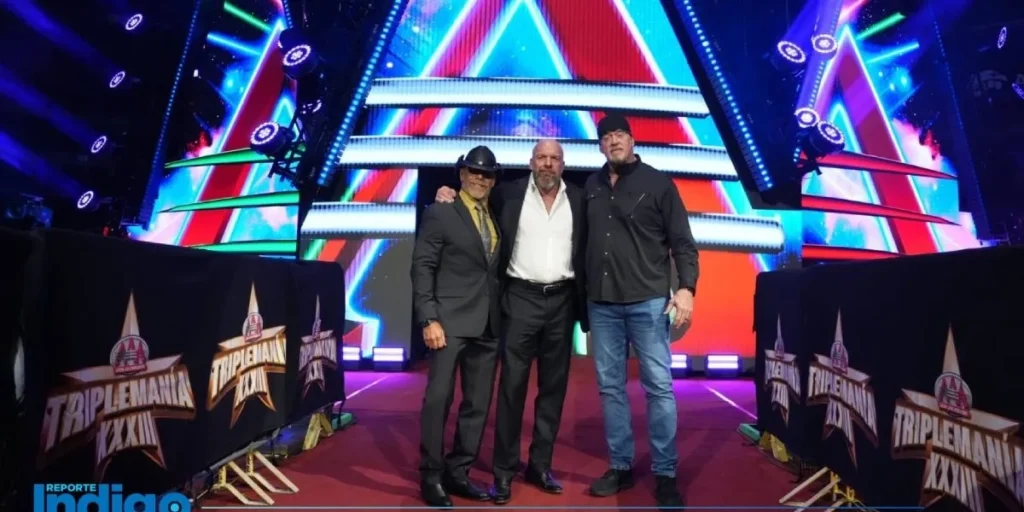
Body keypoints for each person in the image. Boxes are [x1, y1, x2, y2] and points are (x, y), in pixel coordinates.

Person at [434, 139, 588, 505]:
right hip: (520, 298)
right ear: (531, 162)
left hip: (562, 300)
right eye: (541, 158)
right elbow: (470, 202)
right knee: (511, 389)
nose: (547, 164)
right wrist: (445, 193)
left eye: (554, 159)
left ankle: (540, 466)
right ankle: (503, 472)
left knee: (553, 389)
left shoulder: (581, 199)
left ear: (563, 164)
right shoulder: (507, 194)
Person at [584, 114, 699, 510]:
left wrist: (686, 288)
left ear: (632, 140)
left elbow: (683, 242)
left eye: (619, 134)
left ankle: (665, 472)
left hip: (648, 301)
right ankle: (621, 465)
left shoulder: (659, 183)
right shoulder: (591, 186)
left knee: (658, 387)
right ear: (600, 145)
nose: (613, 141)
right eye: (606, 137)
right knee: (610, 387)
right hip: (602, 303)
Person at [411, 145, 503, 508]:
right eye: (473, 172)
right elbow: (422, 266)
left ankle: (458, 471)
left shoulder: (494, 213)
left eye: (487, 173)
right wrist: (428, 317)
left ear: (493, 180)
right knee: (438, 400)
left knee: (477, 404)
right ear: (462, 174)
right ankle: (431, 475)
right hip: (448, 322)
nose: (480, 178)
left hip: (488, 323)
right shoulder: (441, 211)